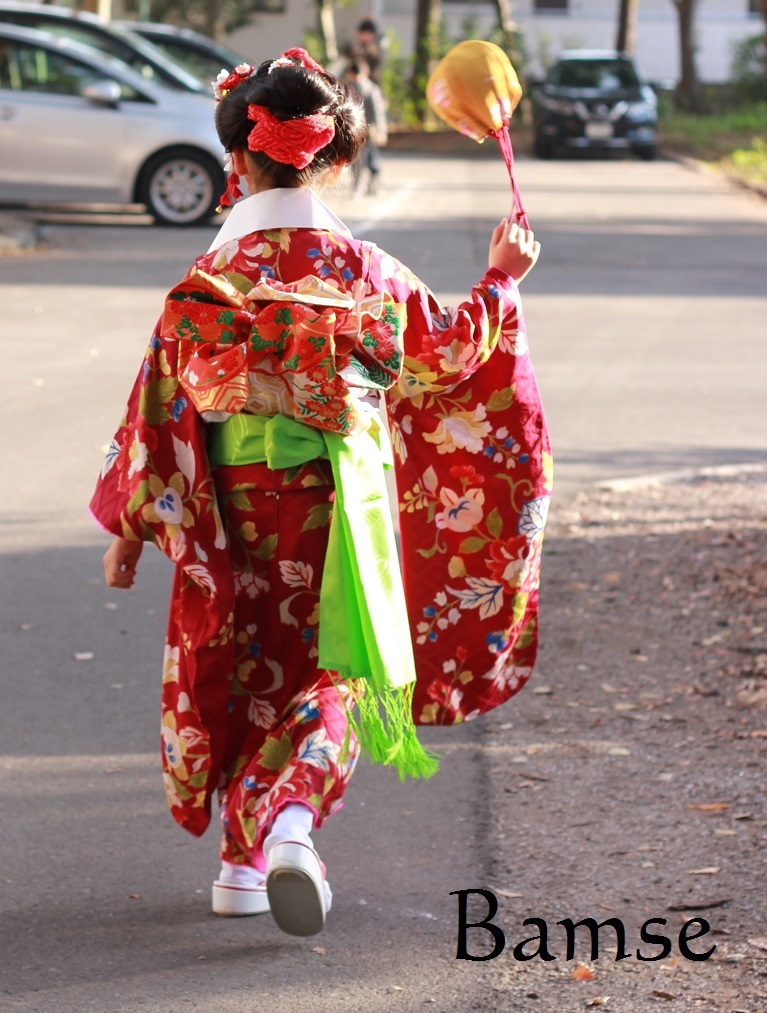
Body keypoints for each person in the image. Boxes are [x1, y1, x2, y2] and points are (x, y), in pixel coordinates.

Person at [90, 48, 550, 939]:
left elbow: (156, 402)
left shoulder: (207, 281)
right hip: (341, 508)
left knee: (244, 664)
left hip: (226, 510)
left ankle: (238, 867)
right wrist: (502, 277)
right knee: (331, 668)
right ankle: (292, 826)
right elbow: (452, 354)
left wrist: (132, 529)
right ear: (333, 158)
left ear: (238, 162)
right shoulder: (363, 270)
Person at [346, 60, 387, 195]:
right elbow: (378, 112)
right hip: (366, 130)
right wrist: (381, 131)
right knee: (368, 159)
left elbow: (377, 111)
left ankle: (362, 187)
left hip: (360, 130)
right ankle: (370, 187)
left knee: (362, 160)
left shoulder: (351, 88)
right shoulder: (371, 88)